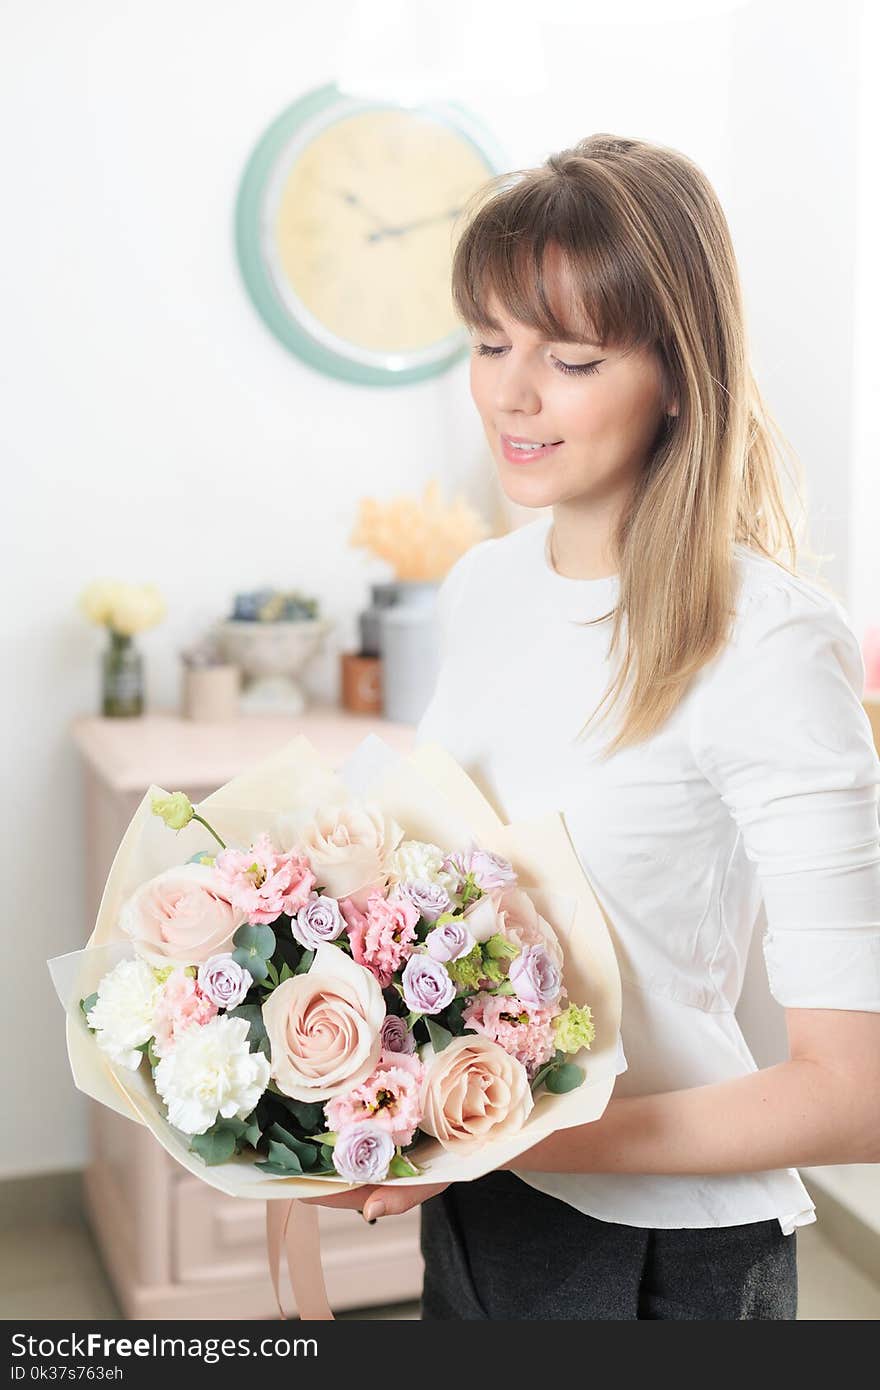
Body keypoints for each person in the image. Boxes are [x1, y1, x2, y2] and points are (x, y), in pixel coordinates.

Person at [302, 133, 880, 1319]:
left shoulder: (765, 639)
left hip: (659, 1257)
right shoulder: (482, 587)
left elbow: (853, 1095)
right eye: (488, 342)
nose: (511, 393)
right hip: (473, 1209)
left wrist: (496, 1132)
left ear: (675, 371)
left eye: (568, 357)